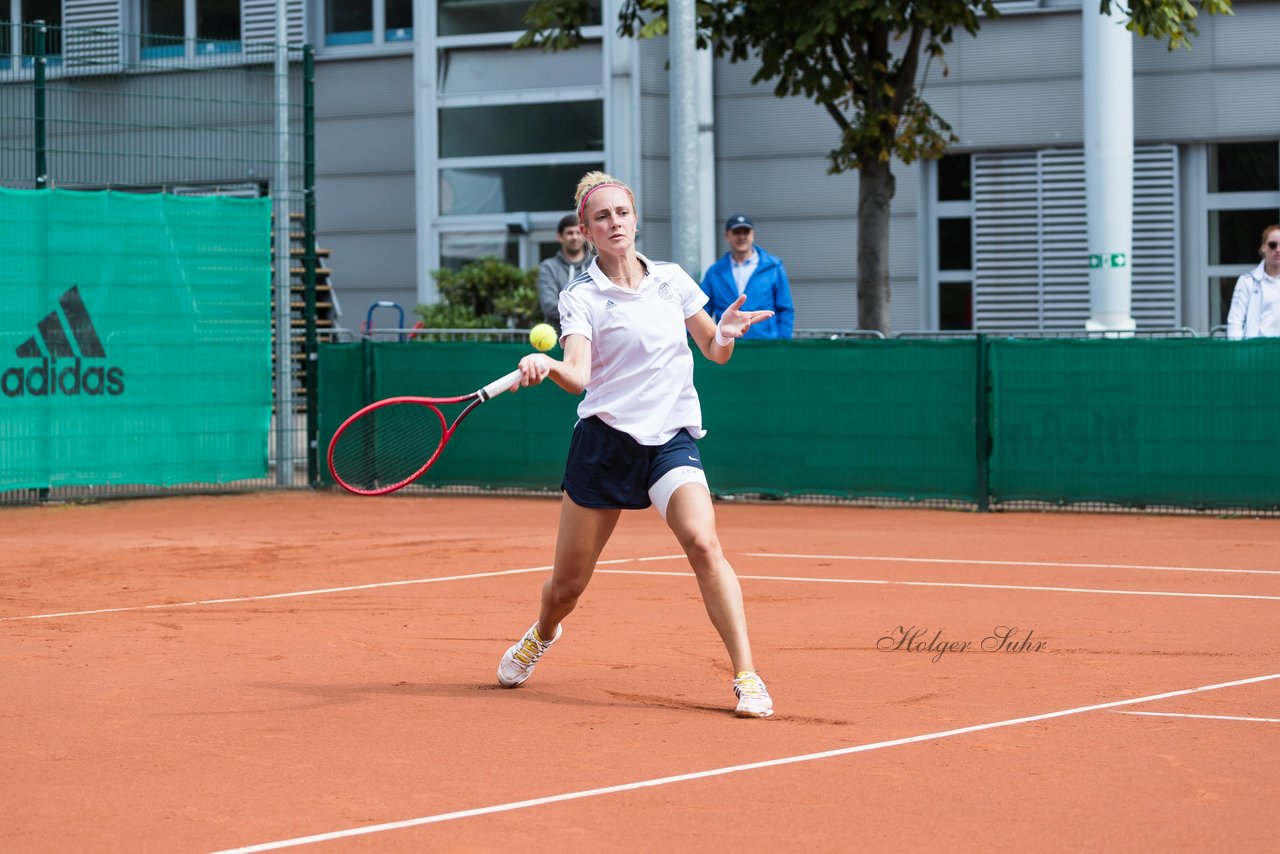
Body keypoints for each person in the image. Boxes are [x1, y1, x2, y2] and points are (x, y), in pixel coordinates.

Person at [497, 171, 777, 718]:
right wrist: (548, 363)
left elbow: (714, 352)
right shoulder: (580, 296)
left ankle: (747, 675)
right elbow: (577, 376)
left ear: (635, 218)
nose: (613, 223)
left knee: (703, 542)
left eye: (621, 213)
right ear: (585, 229)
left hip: (670, 440)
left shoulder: (672, 280)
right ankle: (543, 633)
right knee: (568, 586)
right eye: (601, 217)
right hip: (605, 443)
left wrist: (725, 332)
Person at [700, 213, 795, 340]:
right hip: (728, 344)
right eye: (736, 232)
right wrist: (705, 341)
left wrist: (782, 344)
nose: (742, 237)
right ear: (727, 235)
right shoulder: (715, 272)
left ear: (753, 234)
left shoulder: (773, 267)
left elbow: (785, 309)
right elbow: (702, 311)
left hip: (765, 344)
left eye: (746, 232)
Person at [536, 213, 590, 329]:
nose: (575, 237)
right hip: (558, 339)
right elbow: (549, 307)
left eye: (578, 232)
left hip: (594, 338)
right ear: (559, 236)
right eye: (570, 233)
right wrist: (588, 310)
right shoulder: (548, 267)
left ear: (585, 235)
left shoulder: (596, 264)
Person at [1227, 224, 1280, 339]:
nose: (1278, 250)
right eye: (1272, 245)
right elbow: (1235, 322)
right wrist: (1238, 353)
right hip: (1255, 353)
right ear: (1263, 247)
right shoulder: (1246, 281)